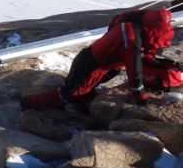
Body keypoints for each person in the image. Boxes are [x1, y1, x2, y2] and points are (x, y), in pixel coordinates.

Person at [21, 7, 174, 112]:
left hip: (97, 61)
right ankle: (27, 103)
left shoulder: (139, 21)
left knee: (106, 74)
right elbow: (134, 71)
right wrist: (141, 98)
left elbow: (117, 21)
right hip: (91, 66)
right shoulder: (131, 41)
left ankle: (83, 98)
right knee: (67, 94)